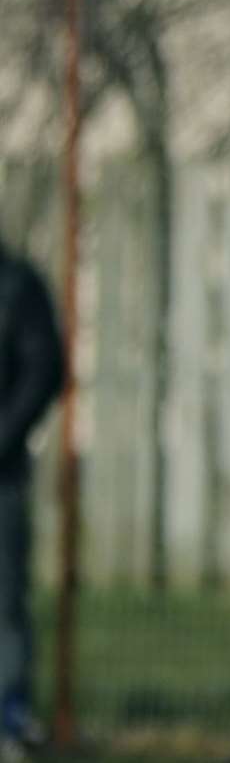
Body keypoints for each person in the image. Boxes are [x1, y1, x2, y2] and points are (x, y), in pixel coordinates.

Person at [0, 245, 60, 759]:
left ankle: (10, 718)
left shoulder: (18, 284)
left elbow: (44, 370)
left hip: (1, 474)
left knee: (4, 598)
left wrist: (2, 438)